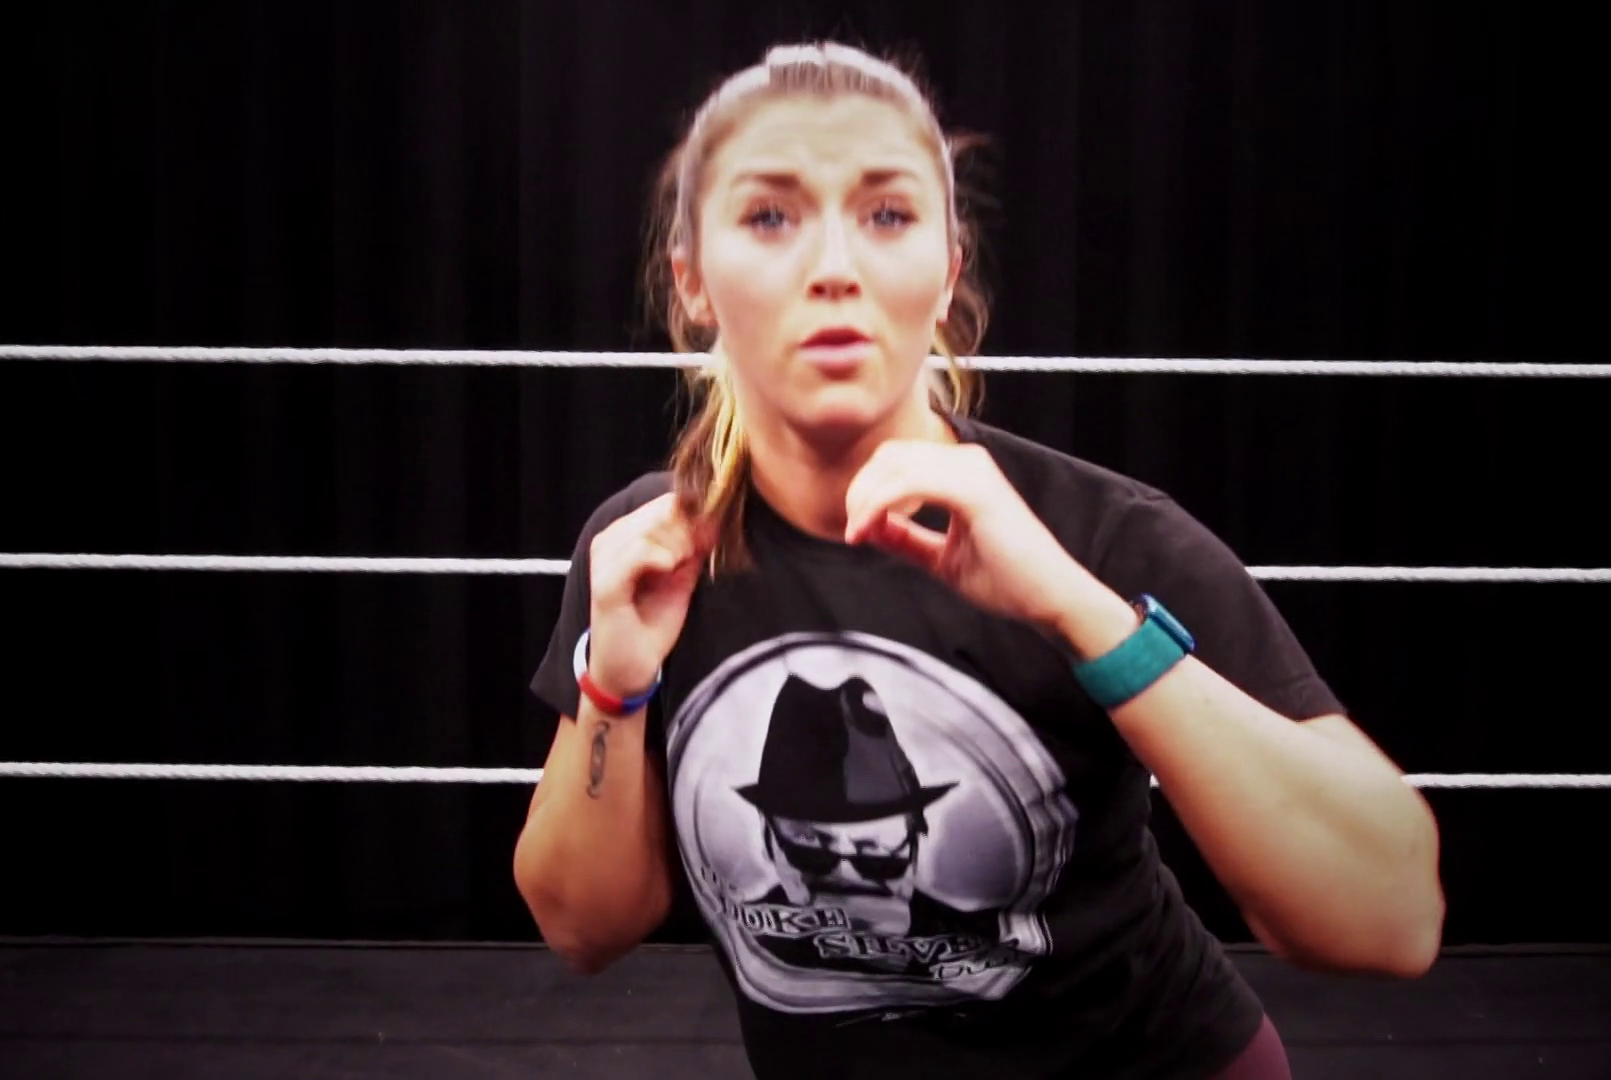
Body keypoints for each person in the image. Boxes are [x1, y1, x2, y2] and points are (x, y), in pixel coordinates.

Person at [514, 41, 1444, 1080]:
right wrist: (614, 685)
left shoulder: (1099, 535)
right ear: (692, 279)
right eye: (770, 216)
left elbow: (1393, 917)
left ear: (949, 268)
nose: (834, 266)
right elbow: (583, 927)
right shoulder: (646, 554)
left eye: (888, 215)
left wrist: (1081, 615)